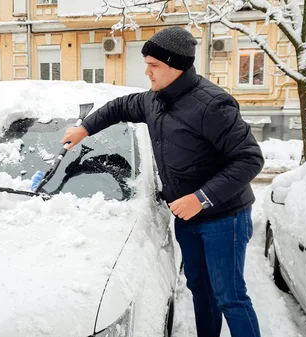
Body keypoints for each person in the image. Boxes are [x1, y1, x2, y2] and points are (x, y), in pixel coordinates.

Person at [62, 26, 264, 337]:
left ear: (176, 66)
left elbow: (250, 159)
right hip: (186, 216)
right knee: (200, 288)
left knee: (230, 296)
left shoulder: (213, 104)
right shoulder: (153, 101)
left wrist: (201, 197)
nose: (147, 72)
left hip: (224, 217)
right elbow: (118, 108)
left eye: (153, 65)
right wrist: (85, 128)